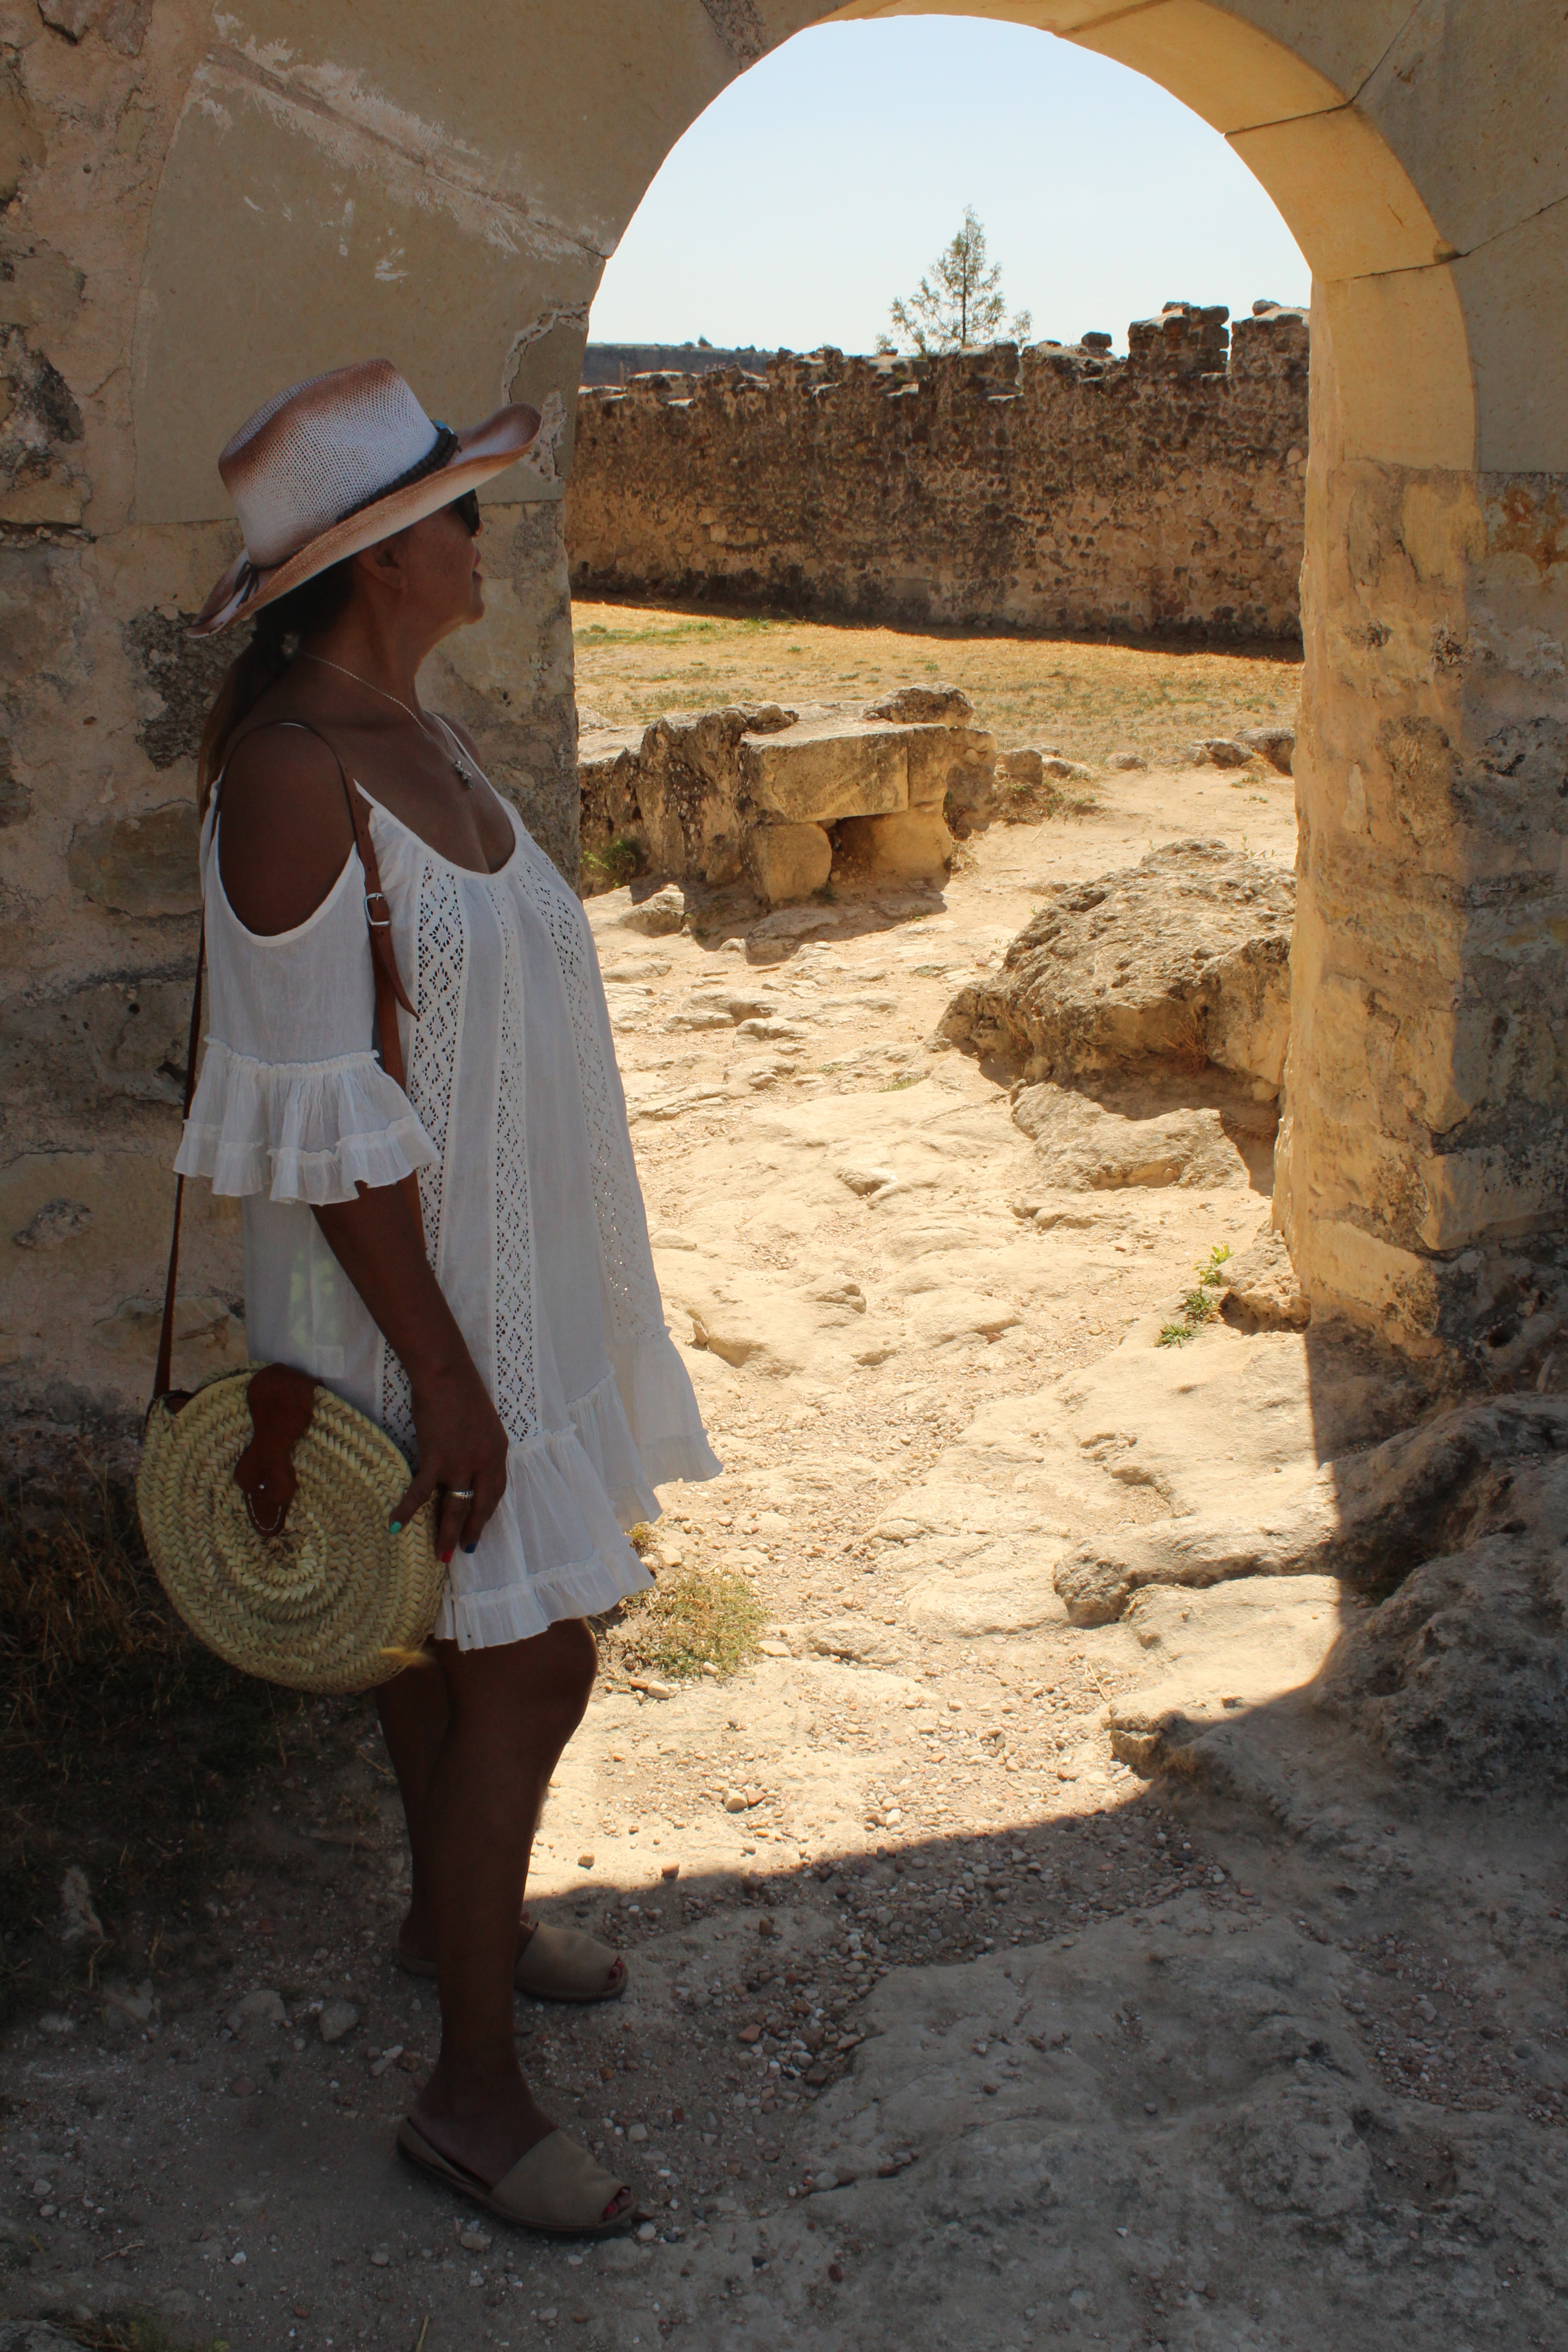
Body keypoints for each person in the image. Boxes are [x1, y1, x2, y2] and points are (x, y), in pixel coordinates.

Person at [178, 360, 720, 2234]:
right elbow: (321, 1138)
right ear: (393, 556)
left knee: (450, 1654)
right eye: (466, 513)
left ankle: (445, 1919)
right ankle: (474, 2100)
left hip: (498, 1285)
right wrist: (451, 1382)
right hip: (400, 1315)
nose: (492, 536)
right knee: (535, 1661)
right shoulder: (292, 773)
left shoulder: (421, 732)